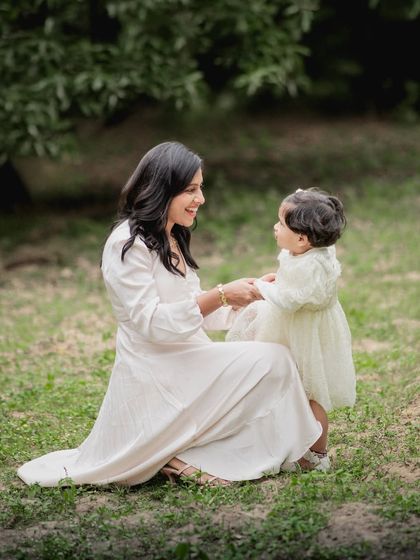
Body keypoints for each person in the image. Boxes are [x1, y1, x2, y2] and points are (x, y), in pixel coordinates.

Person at [17, 142, 322, 488]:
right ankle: (177, 453)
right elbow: (149, 323)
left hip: (188, 356)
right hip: (157, 368)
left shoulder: (170, 236)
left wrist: (248, 296)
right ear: (163, 189)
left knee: (276, 359)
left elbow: (195, 310)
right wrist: (221, 294)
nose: (201, 199)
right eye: (191, 190)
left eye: (200, 188)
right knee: (274, 360)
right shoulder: (126, 244)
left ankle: (191, 453)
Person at [227, 188, 356, 471]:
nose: (275, 227)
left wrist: (262, 288)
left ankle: (316, 455)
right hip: (298, 326)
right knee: (289, 387)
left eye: (281, 223)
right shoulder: (309, 249)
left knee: (310, 392)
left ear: (301, 238)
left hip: (304, 332)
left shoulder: (309, 264)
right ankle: (290, 445)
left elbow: (290, 299)